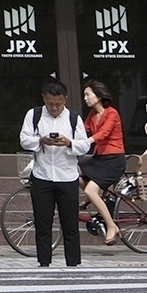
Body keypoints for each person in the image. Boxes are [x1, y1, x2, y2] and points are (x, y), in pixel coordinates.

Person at [20, 78, 87, 268]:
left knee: (70, 224)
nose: (54, 108)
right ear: (43, 99)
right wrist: (40, 140)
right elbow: (24, 139)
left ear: (65, 99)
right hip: (42, 176)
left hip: (67, 176)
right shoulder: (34, 115)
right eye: (50, 104)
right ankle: (44, 262)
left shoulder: (74, 119)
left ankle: (73, 263)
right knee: (42, 223)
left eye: (58, 104)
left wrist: (69, 143)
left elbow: (84, 146)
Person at [78, 79, 127, 245]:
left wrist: (88, 142)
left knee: (91, 190)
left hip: (114, 161)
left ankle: (111, 225)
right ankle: (94, 199)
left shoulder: (111, 113)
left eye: (87, 94)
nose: (85, 98)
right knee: (73, 171)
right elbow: (83, 131)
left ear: (98, 95)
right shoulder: (92, 115)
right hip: (100, 159)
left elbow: (103, 134)